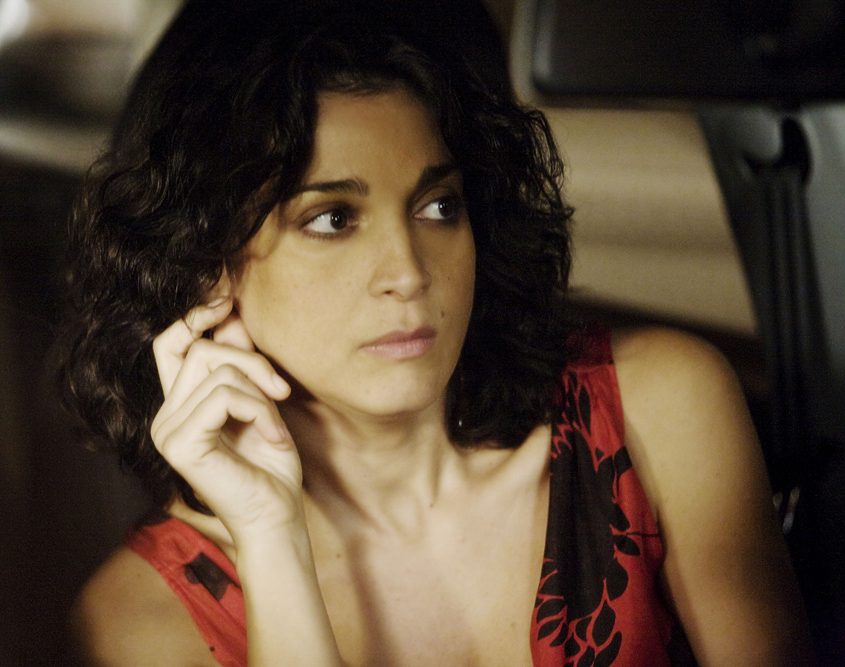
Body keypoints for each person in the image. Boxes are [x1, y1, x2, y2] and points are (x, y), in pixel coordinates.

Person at [58, 1, 813, 664]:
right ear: (206, 270)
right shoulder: (139, 620)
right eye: (333, 218)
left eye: (438, 206)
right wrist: (269, 536)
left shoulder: (659, 408)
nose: (409, 271)